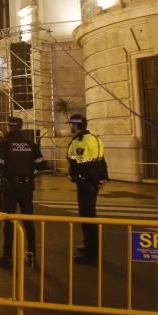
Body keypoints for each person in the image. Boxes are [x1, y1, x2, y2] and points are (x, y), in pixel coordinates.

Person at [0, 116, 49, 270]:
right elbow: (43, 166)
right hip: (27, 187)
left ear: (9, 127)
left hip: (10, 188)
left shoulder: (5, 144)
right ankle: (32, 255)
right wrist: (31, 173)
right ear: (21, 127)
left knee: (9, 221)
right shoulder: (30, 144)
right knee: (28, 221)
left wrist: (4, 173)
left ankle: (7, 256)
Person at [66, 113, 109, 265]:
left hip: (86, 183)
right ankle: (88, 246)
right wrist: (103, 178)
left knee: (87, 217)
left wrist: (75, 176)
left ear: (76, 125)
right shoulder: (95, 139)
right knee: (89, 215)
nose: (70, 127)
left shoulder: (79, 142)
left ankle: (91, 253)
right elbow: (101, 160)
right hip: (94, 182)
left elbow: (81, 164)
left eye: (71, 124)